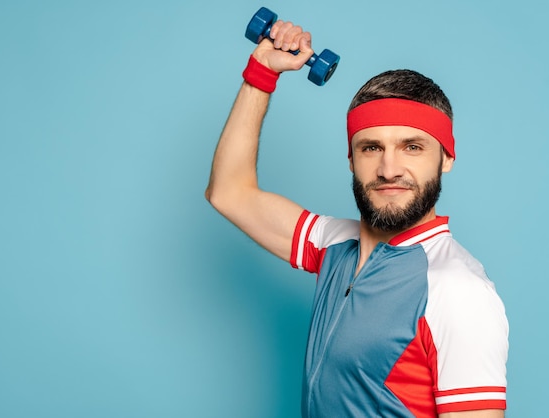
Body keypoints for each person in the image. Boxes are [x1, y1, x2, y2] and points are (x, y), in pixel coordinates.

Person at [205, 18, 508, 418]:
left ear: (446, 159)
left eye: (412, 147)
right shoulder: (334, 246)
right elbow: (228, 192)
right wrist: (262, 70)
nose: (388, 168)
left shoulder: (457, 291)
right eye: (370, 148)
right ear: (351, 159)